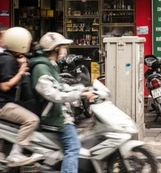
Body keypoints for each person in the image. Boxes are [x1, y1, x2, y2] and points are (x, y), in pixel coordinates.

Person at [30, 32, 95, 173]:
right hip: (55, 117)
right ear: (55, 49)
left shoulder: (50, 65)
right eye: (63, 46)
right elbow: (53, 94)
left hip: (60, 112)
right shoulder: (41, 68)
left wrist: (83, 89)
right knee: (73, 147)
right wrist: (78, 94)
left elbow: (60, 86)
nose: (65, 49)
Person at [0, 27, 40, 167]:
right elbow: (5, 86)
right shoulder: (7, 60)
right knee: (32, 120)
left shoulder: (9, 58)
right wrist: (21, 71)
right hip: (3, 105)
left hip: (6, 103)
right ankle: (15, 154)